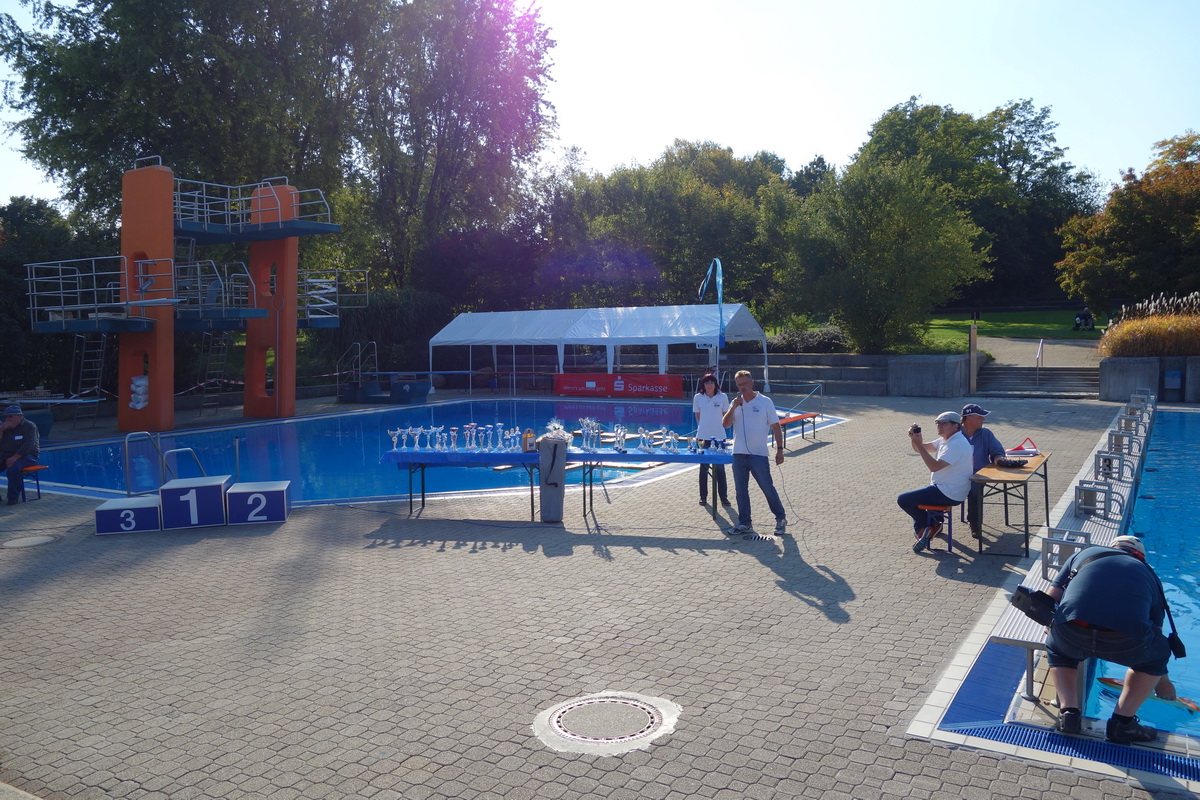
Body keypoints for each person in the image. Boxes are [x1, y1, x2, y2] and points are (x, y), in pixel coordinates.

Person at [1045, 535, 1175, 744]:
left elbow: (1050, 598)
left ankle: (1069, 714)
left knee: (1058, 649)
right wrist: (1162, 681)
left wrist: (1052, 629)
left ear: (1111, 547)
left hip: (1072, 632)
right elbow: (1155, 633)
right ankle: (1122, 724)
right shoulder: (1149, 575)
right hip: (1125, 642)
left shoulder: (1085, 554)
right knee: (1157, 655)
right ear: (1141, 557)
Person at [721, 370, 786, 537]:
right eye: (739, 385)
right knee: (741, 490)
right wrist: (733, 407)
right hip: (739, 454)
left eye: (745, 384)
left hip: (758, 454)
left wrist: (779, 450)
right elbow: (725, 425)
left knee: (767, 488)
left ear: (752, 383)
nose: (742, 387)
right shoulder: (735, 402)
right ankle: (744, 523)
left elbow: (776, 427)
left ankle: (780, 518)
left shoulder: (765, 402)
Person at [898, 411, 973, 553]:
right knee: (920, 497)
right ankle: (933, 526)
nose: (939, 426)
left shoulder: (956, 444)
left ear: (955, 426)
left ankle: (927, 528)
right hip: (944, 488)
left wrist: (919, 445)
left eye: (943, 423)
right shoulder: (945, 439)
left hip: (949, 493)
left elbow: (934, 466)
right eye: (937, 423)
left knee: (903, 500)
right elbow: (921, 449)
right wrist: (915, 439)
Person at [960, 403, 1004, 538]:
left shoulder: (986, 433)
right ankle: (936, 523)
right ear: (968, 418)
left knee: (974, 490)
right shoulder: (955, 434)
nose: (983, 420)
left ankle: (975, 523)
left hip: (979, 474)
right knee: (940, 487)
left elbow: (997, 450)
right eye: (979, 417)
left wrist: (998, 458)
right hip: (958, 474)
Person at [692, 373, 732, 507]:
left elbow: (725, 416)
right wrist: (705, 427)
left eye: (711, 382)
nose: (709, 385)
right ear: (703, 385)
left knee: (720, 468)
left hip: (719, 437)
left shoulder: (722, 397)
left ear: (715, 384)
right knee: (703, 468)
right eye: (706, 383)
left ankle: (723, 497)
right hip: (703, 437)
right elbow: (698, 416)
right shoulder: (698, 398)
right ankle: (703, 497)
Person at [1, 404, 41, 506]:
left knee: (14, 467)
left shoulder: (30, 426)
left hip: (28, 455)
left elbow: (28, 446)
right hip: (7, 453)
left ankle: (12, 497)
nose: (7, 419)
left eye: (10, 416)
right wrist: (1, 430)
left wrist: (14, 458)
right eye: (6, 417)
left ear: (19, 416)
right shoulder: (5, 427)